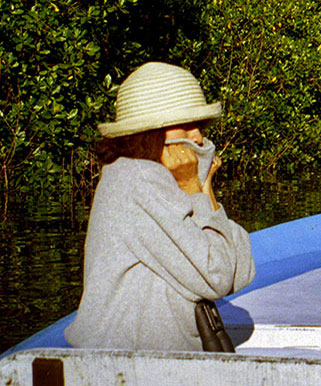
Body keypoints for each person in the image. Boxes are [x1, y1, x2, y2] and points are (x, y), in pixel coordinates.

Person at [65, 62, 255, 350]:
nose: (198, 137)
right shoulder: (140, 181)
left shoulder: (149, 177)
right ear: (154, 131)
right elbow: (218, 277)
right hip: (131, 368)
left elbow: (240, 273)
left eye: (199, 125)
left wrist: (204, 188)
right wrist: (194, 188)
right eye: (186, 125)